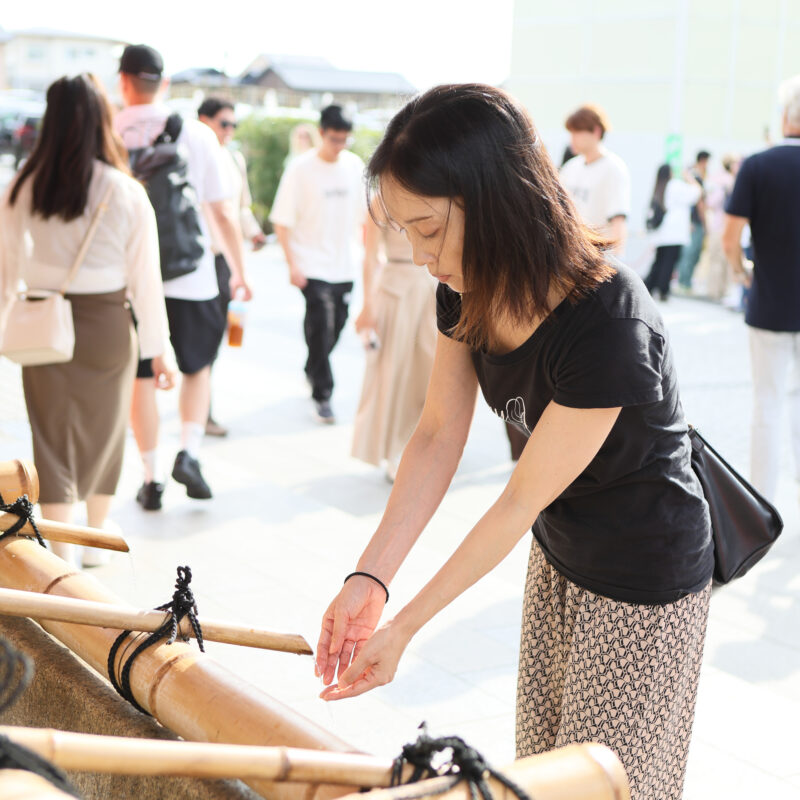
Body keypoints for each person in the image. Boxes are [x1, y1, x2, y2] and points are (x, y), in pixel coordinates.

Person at [315, 85, 713, 800]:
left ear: (496, 200)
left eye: (429, 229)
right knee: (541, 769)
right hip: (562, 553)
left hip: (646, 577)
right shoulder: (465, 290)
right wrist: (368, 578)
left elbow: (517, 500)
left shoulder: (608, 317)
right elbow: (437, 435)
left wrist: (403, 628)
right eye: (404, 231)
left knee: (606, 784)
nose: (418, 253)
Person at [0, 74, 168, 565]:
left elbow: (6, 273)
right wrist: (160, 350)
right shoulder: (125, 190)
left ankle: (59, 543)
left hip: (43, 321)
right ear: (101, 121)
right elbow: (145, 281)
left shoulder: (23, 187)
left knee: (51, 434)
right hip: (108, 325)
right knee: (106, 428)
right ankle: (94, 536)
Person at [114, 45, 251, 509]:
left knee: (141, 378)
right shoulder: (194, 132)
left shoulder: (107, 130)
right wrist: (238, 269)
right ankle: (189, 453)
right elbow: (222, 210)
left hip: (131, 279)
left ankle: (151, 480)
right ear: (164, 83)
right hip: (192, 273)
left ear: (123, 80)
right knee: (197, 367)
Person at [722, 75, 800, 503]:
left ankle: (761, 501)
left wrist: (742, 272)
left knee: (767, 403)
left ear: (785, 116)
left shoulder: (757, 165)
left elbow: (730, 239)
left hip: (769, 303)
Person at [271, 105, 367, 424]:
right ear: (321, 133)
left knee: (333, 327)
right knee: (322, 324)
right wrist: (292, 265)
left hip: (345, 264)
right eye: (334, 139)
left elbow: (365, 217)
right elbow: (281, 222)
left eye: (345, 140)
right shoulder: (301, 169)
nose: (339, 146)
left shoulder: (354, 166)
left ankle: (312, 368)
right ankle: (323, 395)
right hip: (312, 264)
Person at [351, 202, 437, 481]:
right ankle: (394, 450)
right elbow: (371, 256)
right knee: (394, 372)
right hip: (395, 289)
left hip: (433, 288)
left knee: (431, 371)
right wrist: (368, 305)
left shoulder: (435, 186)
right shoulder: (380, 199)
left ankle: (423, 443)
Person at [198, 96, 267, 437]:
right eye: (224, 123)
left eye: (232, 125)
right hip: (202, 260)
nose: (229, 131)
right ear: (204, 120)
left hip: (228, 261)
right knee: (206, 338)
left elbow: (240, 208)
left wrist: (254, 233)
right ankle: (202, 411)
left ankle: (200, 405)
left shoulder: (234, 158)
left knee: (226, 331)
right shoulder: (194, 157)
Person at [560, 104, 630, 254]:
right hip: (572, 256)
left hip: (600, 257)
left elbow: (618, 219)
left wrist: (617, 261)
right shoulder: (570, 168)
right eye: (571, 133)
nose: (572, 138)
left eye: (577, 132)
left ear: (596, 131)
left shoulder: (614, 168)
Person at [643, 164, 702, 300]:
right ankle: (663, 290)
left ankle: (650, 287)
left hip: (663, 233)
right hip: (674, 233)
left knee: (660, 261)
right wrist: (689, 178)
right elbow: (696, 193)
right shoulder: (674, 185)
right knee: (669, 262)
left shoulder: (660, 186)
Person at [699, 154, 740, 301]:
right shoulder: (731, 181)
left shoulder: (722, 181)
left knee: (717, 258)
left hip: (719, 224)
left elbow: (711, 203)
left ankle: (714, 291)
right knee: (724, 259)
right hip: (730, 226)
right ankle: (721, 290)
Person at [675, 150, 710, 292]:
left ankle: (683, 282)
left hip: (689, 222)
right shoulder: (696, 179)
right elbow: (700, 204)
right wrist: (705, 223)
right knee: (692, 253)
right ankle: (685, 283)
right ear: (703, 161)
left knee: (688, 253)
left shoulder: (688, 177)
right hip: (695, 222)